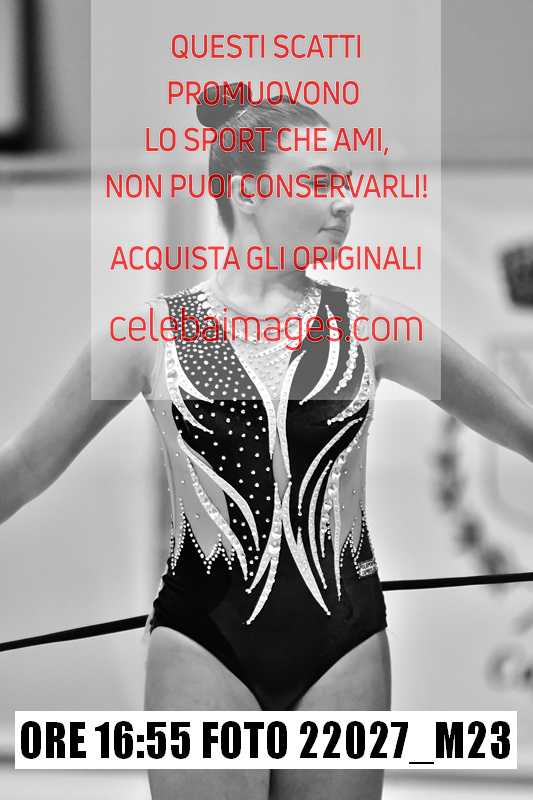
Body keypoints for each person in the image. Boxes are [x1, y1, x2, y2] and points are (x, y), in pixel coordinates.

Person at [1, 86, 532, 800]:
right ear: (248, 192)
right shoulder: (150, 337)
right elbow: (23, 469)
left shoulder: (375, 328)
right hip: (203, 646)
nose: (345, 203)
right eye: (320, 183)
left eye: (346, 185)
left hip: (343, 648)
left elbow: (520, 428)